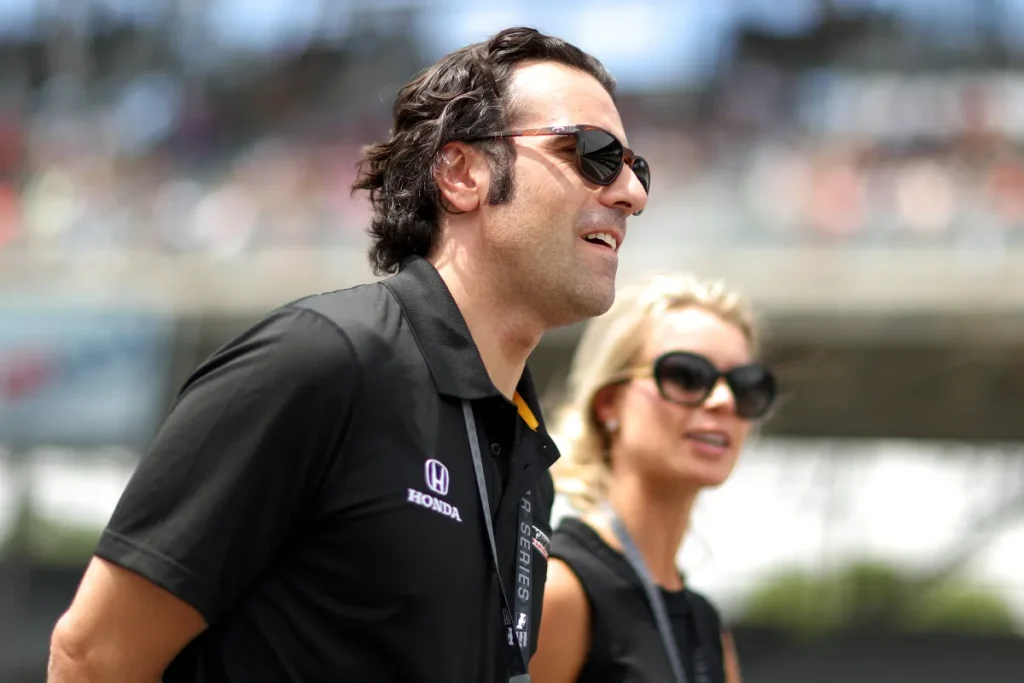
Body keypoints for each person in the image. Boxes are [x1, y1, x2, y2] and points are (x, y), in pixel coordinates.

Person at [46, 26, 650, 683]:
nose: (631, 193)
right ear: (462, 174)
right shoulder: (321, 361)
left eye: (636, 168)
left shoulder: (526, 458)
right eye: (593, 154)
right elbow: (93, 656)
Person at [530, 273, 777, 683]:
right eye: (686, 375)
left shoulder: (708, 630)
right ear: (610, 402)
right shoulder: (561, 590)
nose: (723, 401)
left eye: (745, 385)